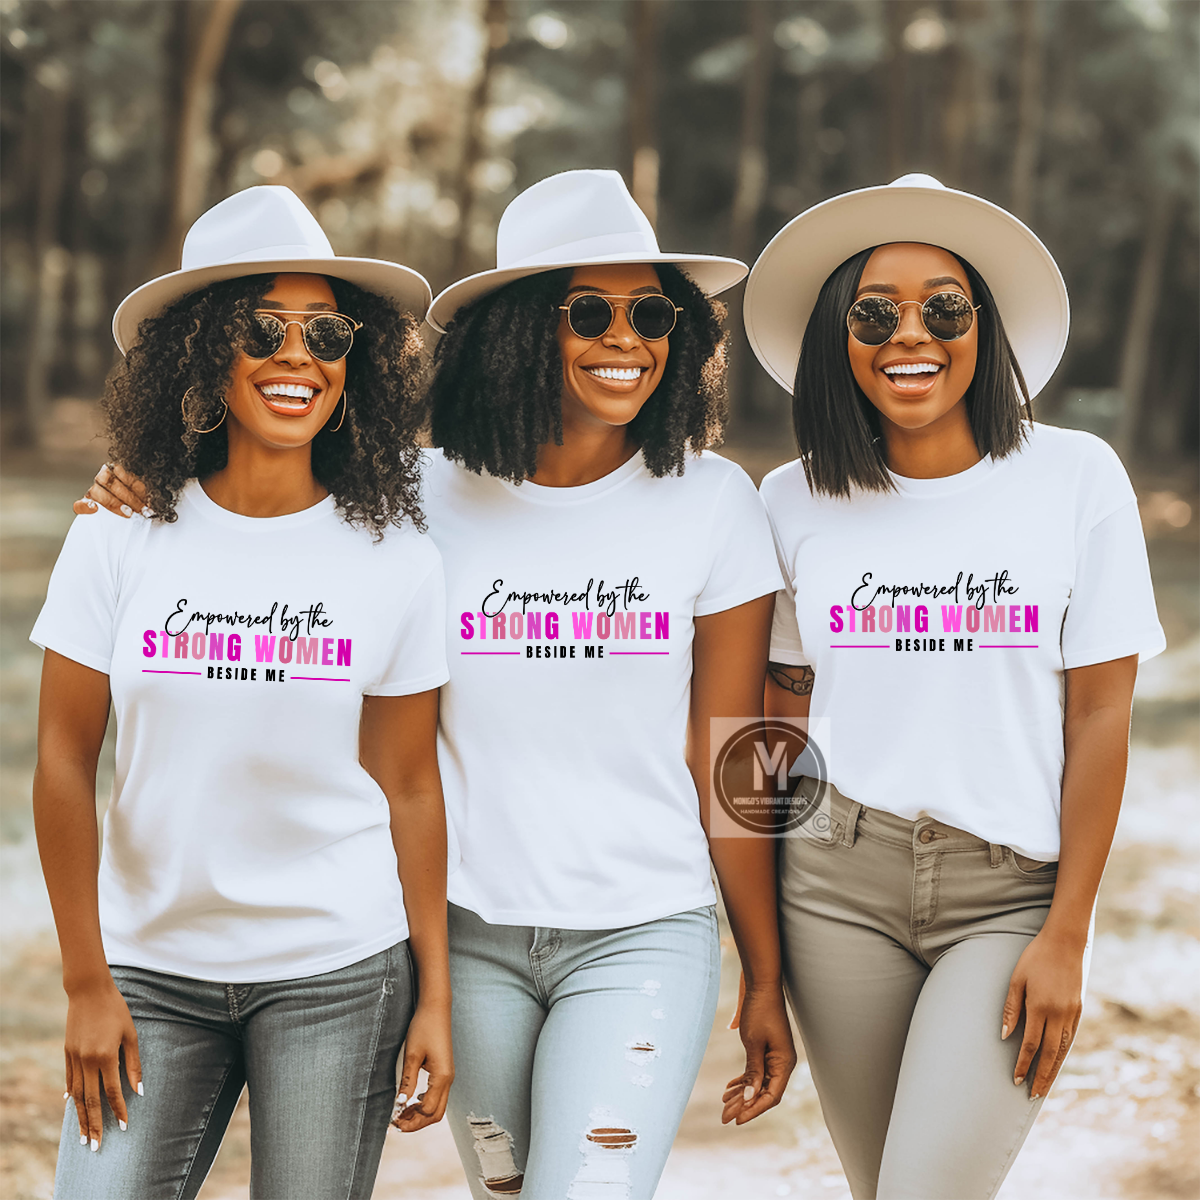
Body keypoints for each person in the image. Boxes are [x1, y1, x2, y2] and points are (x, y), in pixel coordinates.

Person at [81, 168, 798, 1200]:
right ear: (517, 332)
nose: (627, 338)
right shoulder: (408, 498)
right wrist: (143, 485)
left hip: (644, 929)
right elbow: (254, 510)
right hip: (462, 939)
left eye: (652, 314)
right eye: (588, 313)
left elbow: (728, 753)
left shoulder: (715, 502)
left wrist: (765, 975)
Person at [744, 173, 1166, 1200]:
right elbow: (770, 718)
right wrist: (757, 963)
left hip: (1010, 895)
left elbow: (1101, 715)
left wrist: (1069, 933)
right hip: (834, 889)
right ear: (838, 337)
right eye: (873, 314)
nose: (910, 335)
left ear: (984, 326)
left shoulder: (1077, 478)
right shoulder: (790, 498)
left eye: (943, 308)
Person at [36, 186, 453, 1200]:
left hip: (337, 972)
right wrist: (87, 979)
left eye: (327, 333)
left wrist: (436, 994)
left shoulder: (396, 556)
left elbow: (409, 785)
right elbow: (62, 759)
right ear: (201, 354)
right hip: (149, 970)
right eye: (262, 330)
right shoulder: (118, 533)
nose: (297, 355)